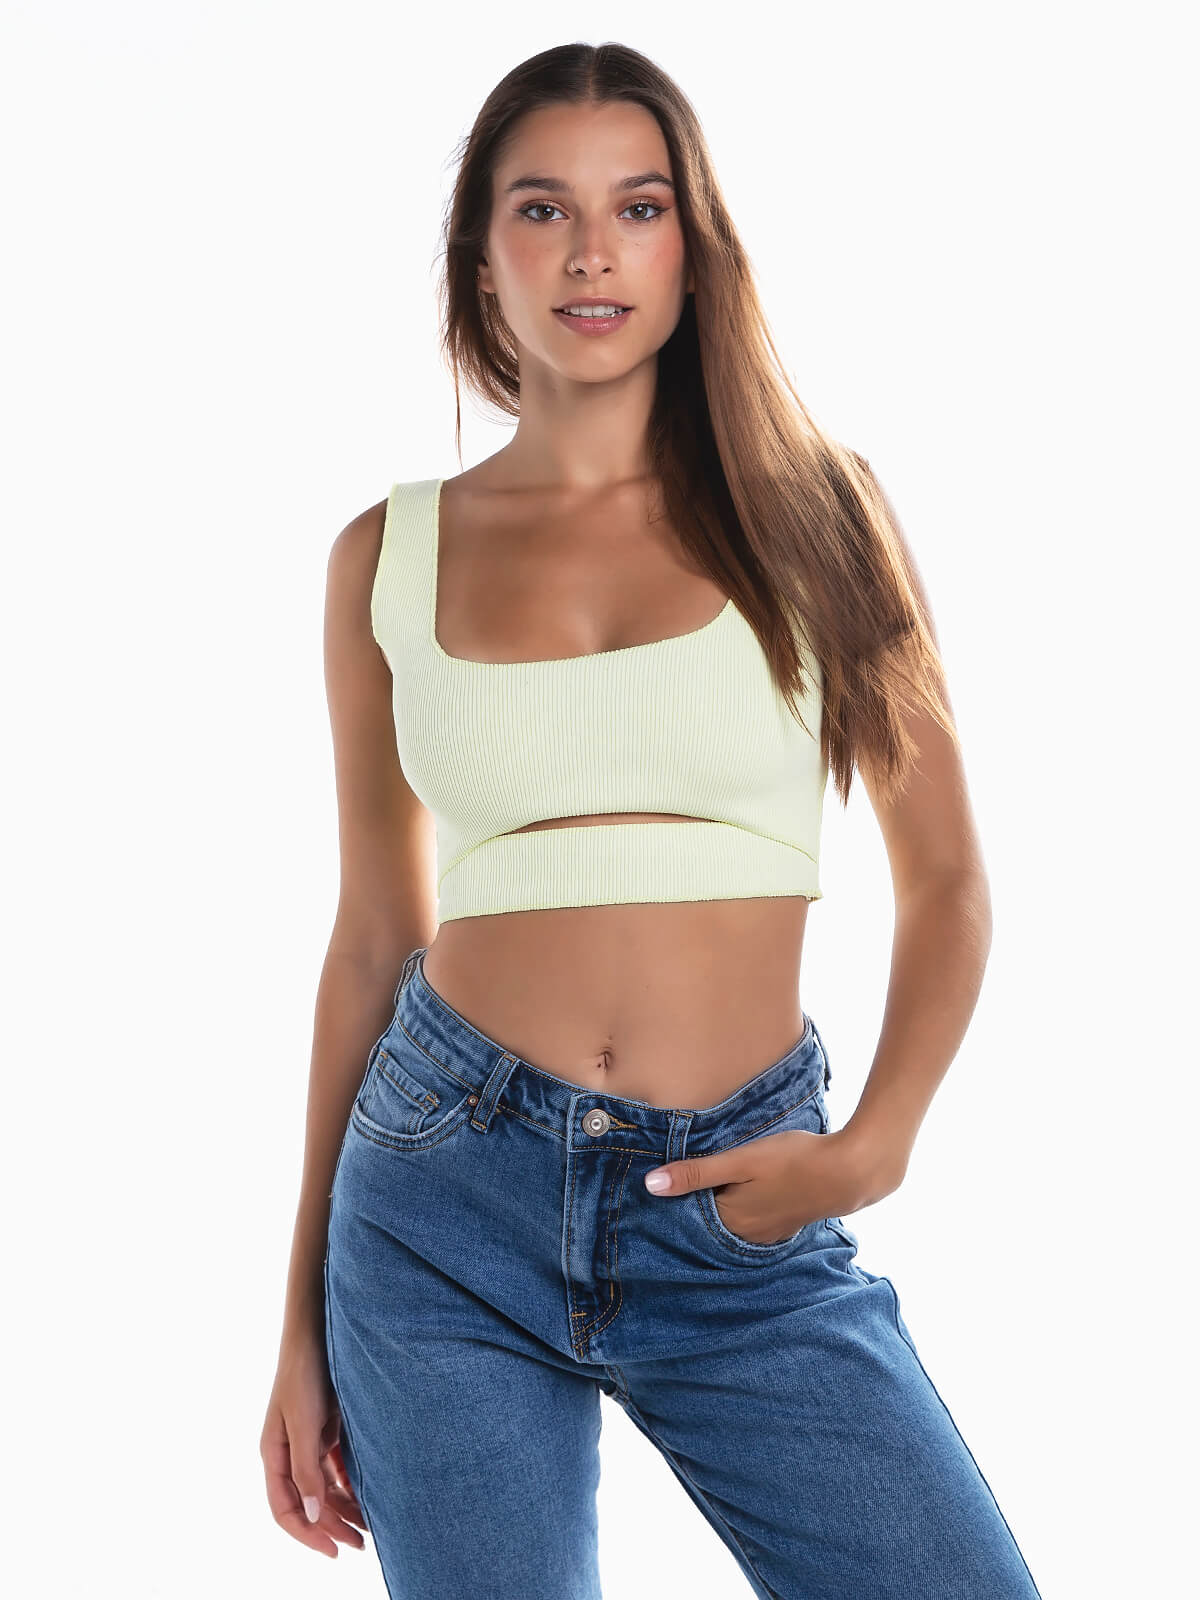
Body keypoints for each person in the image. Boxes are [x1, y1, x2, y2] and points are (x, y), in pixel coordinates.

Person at [260, 40, 1042, 1600]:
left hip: (737, 1204)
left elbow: (949, 880)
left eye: (639, 206)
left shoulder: (819, 513)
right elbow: (370, 939)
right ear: (481, 260)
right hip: (439, 1209)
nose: (591, 251)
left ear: (695, 251)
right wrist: (296, 1321)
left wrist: (872, 1152)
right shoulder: (383, 560)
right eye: (541, 208)